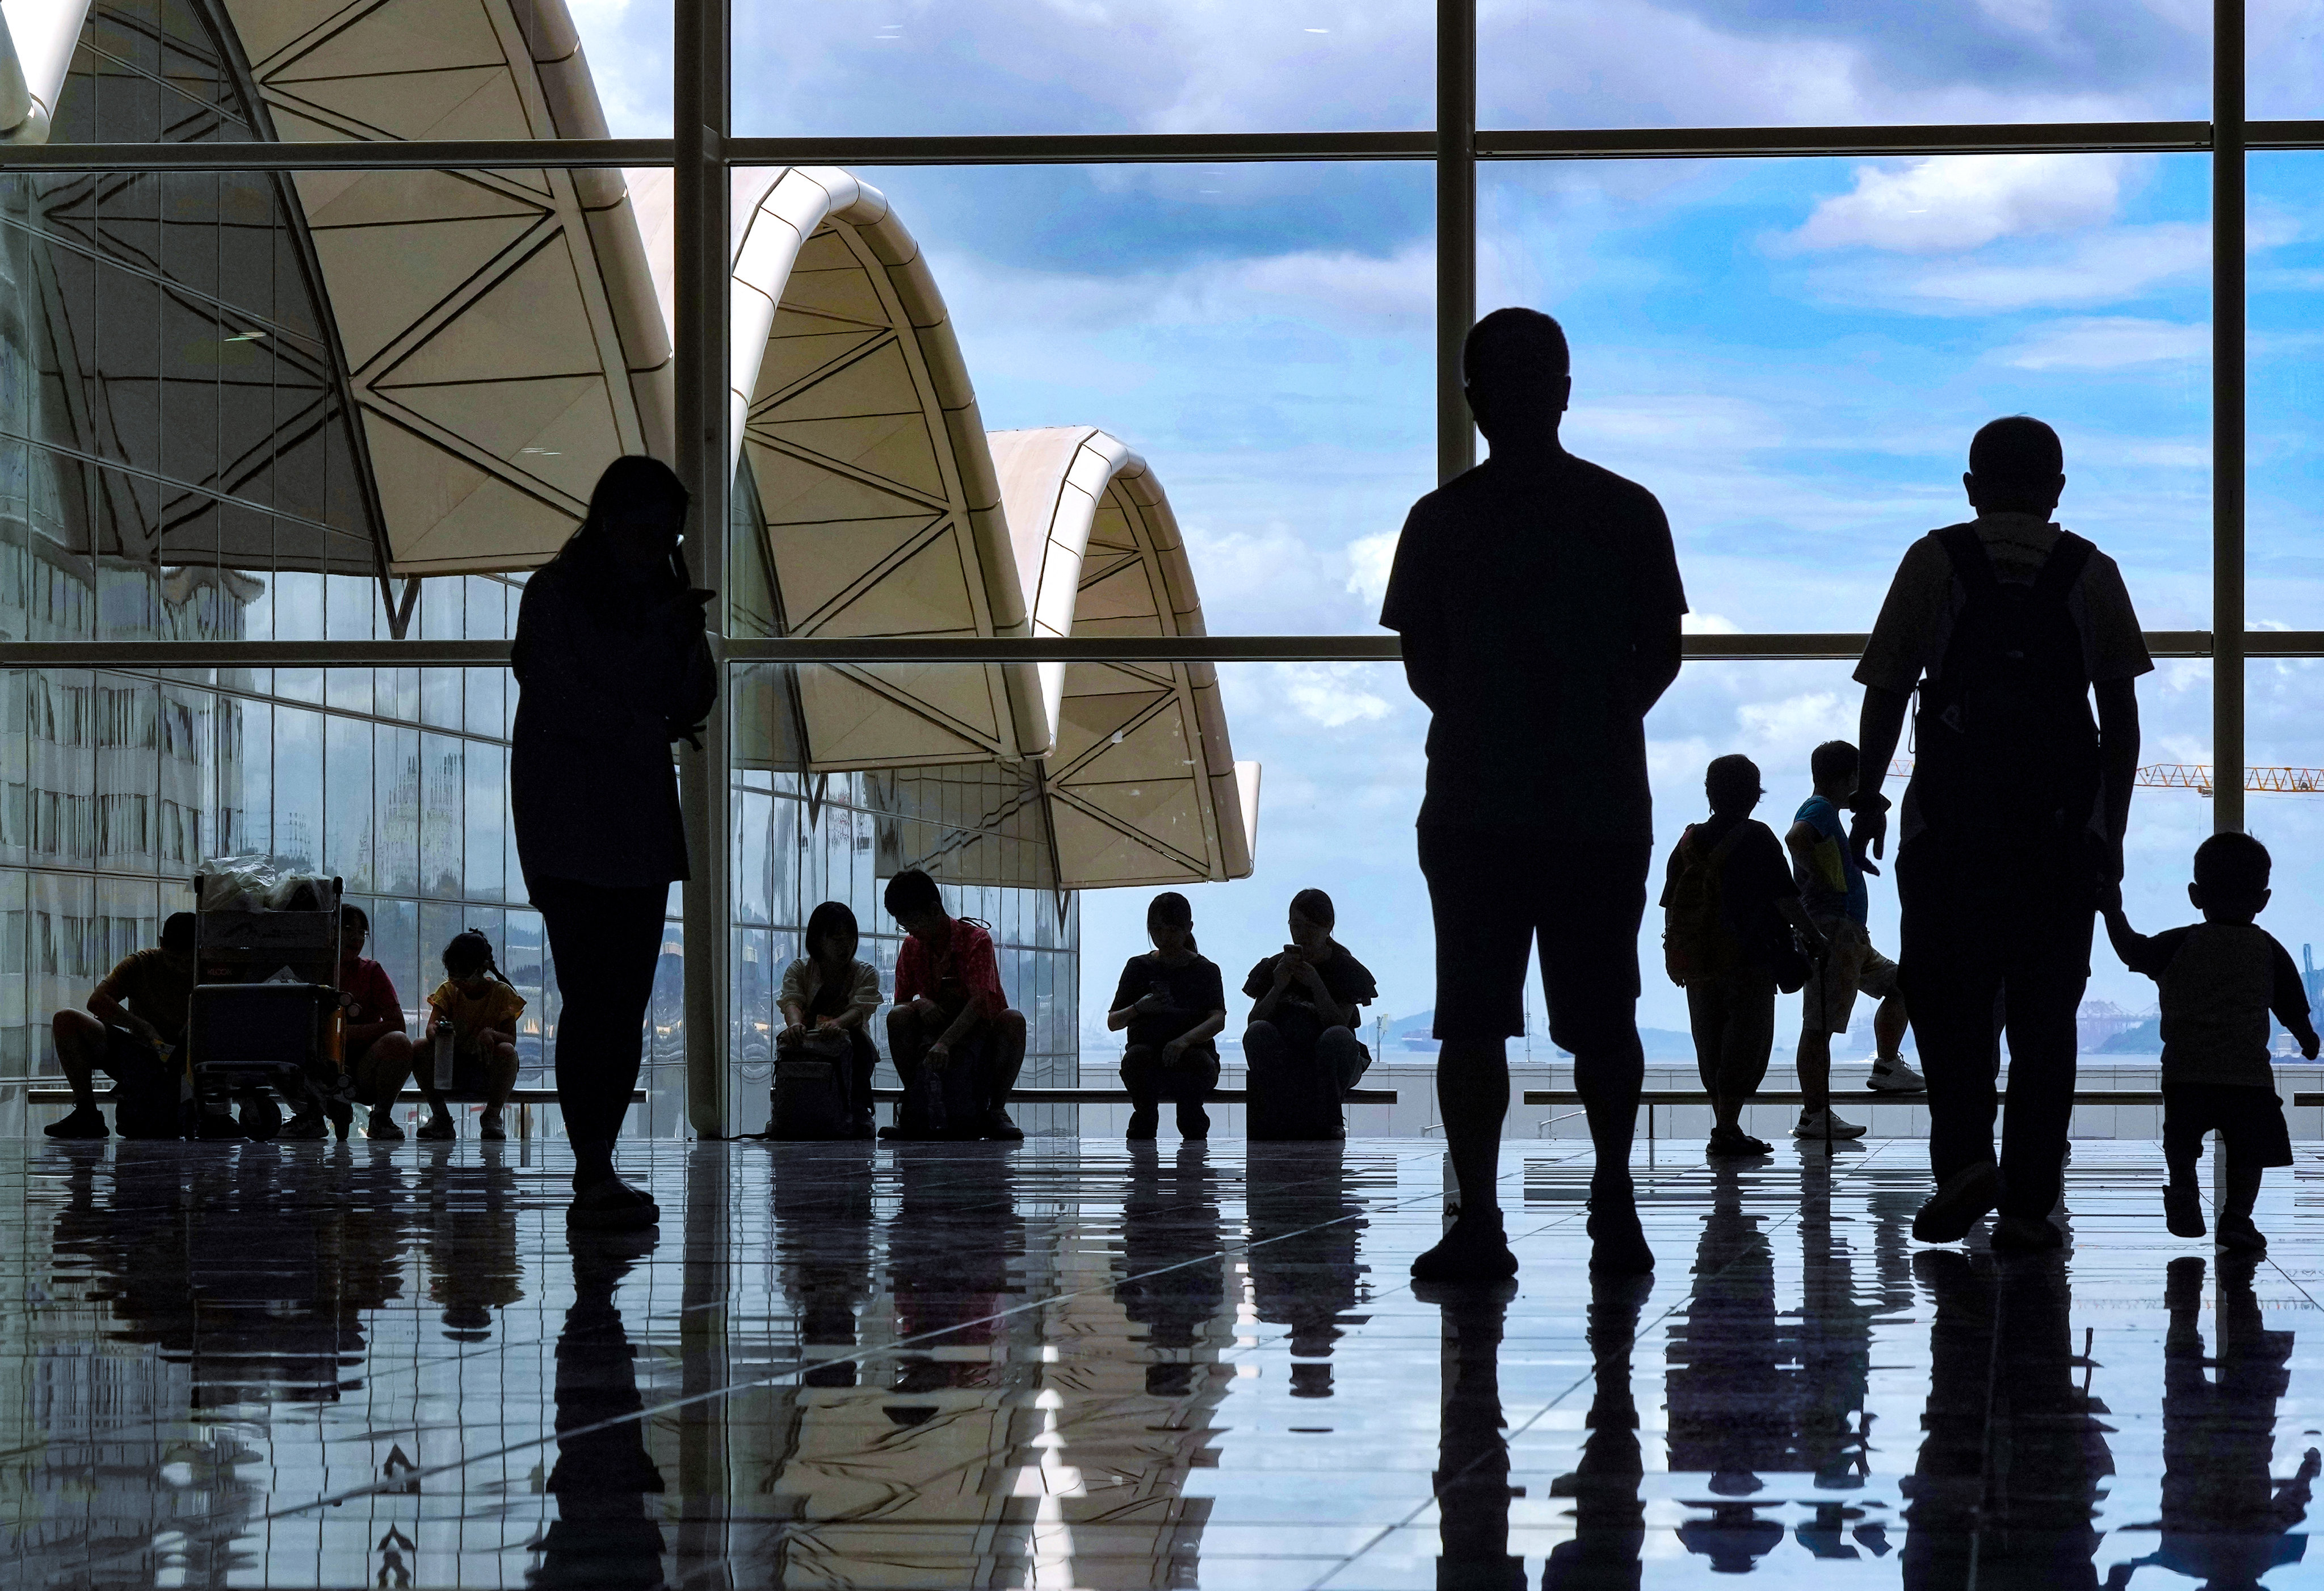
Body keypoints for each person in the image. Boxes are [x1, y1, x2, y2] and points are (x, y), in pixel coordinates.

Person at [1380, 307, 1685, 1282]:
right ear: (1565, 389)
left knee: (1472, 1014)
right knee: (1604, 1011)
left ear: (1470, 402)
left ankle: (1480, 1217)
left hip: (1475, 799)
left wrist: (1493, 724)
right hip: (1595, 799)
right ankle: (1613, 1199)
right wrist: (1588, 725)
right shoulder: (1627, 510)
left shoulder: (1441, 522)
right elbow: (1661, 655)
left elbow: (1424, 664)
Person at [1847, 415, 2150, 1252]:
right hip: (2056, 844)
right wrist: (2108, 834)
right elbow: (2118, 721)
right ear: (2055, 488)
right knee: (2045, 1017)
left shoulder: (1933, 559)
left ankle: (1962, 1165)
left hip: (1948, 836)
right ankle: (2028, 1197)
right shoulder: (2092, 572)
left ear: (1971, 487)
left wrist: (1869, 794)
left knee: (1947, 1007)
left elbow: (1884, 689)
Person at [512, 455, 713, 1229]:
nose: (658, 547)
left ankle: (598, 1160)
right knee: (592, 992)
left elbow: (691, 697)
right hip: (574, 814)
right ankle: (591, 1162)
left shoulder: (649, 598)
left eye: (668, 535)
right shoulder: (556, 594)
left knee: (622, 998)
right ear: (610, 525)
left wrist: (682, 636)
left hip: (625, 813)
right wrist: (650, 669)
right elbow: (570, 699)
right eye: (648, 532)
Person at [2100, 833, 2319, 1254]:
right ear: (2263, 898)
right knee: (2247, 1152)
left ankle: (2182, 1186)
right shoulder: (2267, 948)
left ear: (2195, 895)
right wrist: (2307, 1039)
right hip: (2248, 1078)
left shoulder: (2179, 943)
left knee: (2181, 1141)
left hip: (2186, 1073)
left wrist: (2112, 910)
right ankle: (2236, 1218)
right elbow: (2292, 1005)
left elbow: (2131, 950)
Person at [1663, 755, 1827, 1156]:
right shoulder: (1756, 837)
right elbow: (1785, 898)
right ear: (1754, 795)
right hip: (1748, 959)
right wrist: (1814, 937)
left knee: (1710, 1043)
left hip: (1699, 962)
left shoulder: (1686, 842)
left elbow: (1671, 903)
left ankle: (1725, 1126)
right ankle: (1726, 1128)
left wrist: (1675, 953)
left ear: (1709, 792)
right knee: (1745, 1044)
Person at [1784, 739, 1923, 1143]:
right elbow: (1796, 839)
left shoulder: (1827, 813)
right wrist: (1825, 878)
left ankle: (1885, 1066)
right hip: (1834, 933)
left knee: (1903, 983)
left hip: (1850, 935)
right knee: (1819, 1025)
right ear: (1847, 778)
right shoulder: (1820, 808)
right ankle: (1814, 1114)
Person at [882, 867, 1029, 1141]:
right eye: (905, 925)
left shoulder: (976, 941)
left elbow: (980, 1002)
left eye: (914, 922)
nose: (912, 931)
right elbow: (901, 1002)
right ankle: (915, 1103)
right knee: (898, 1016)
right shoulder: (912, 947)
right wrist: (920, 1004)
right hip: (934, 1030)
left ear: (935, 910)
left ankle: (996, 1110)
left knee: (1014, 1020)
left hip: (981, 1031)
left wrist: (945, 1043)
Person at [44, 910, 197, 1139]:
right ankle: (87, 1112)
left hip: (192, 1059)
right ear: (162, 944)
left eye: (188, 961)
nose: (181, 969)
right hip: (142, 1053)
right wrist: (142, 1027)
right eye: (174, 960)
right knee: (66, 1020)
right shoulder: (140, 964)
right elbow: (96, 1002)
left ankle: (220, 1113)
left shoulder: (211, 969)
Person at [1241, 888, 1377, 1140]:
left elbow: (1339, 1024)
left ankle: (1330, 1120)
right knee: (1258, 1032)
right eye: (1296, 926)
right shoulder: (1276, 966)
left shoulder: (1345, 969)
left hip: (1334, 1057)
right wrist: (1278, 986)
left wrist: (1316, 985)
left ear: (1328, 927)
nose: (1302, 935)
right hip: (1287, 1051)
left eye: (1311, 927)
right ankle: (1275, 1116)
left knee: (1337, 1037)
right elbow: (1254, 1021)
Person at [284, 904, 415, 1143]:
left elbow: (397, 1025)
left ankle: (381, 1118)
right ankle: (308, 1116)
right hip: (314, 1065)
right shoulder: (310, 970)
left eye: (361, 932)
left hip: (363, 1068)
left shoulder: (372, 972)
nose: (356, 937)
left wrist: (346, 1034)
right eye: (348, 929)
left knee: (399, 1043)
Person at [1109, 892, 1227, 1142]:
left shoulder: (1206, 970)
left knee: (1192, 1067)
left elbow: (1218, 1018)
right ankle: (1152, 1124)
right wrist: (1139, 1008)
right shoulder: (1138, 968)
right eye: (1157, 930)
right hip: (1150, 1056)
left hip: (1194, 1056)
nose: (1164, 938)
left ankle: (1175, 1125)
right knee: (1138, 1060)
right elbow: (1114, 1021)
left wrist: (1183, 1041)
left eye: (1172, 930)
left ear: (1188, 929)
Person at [776, 900, 882, 1139]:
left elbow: (862, 1009)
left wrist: (838, 1024)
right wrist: (795, 1026)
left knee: (857, 1046)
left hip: (851, 1043)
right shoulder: (800, 969)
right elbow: (791, 1000)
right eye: (836, 939)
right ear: (818, 940)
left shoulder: (865, 973)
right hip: (810, 1042)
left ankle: (859, 1109)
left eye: (849, 939)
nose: (845, 946)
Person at [418, 929, 523, 1142]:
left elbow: (511, 1040)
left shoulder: (503, 994)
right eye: (452, 973)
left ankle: (492, 1115)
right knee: (419, 1047)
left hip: (487, 1069)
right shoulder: (448, 991)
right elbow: (430, 1030)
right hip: (450, 1069)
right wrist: (438, 1032)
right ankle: (441, 1116)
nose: (458, 980)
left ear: (483, 969)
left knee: (507, 1051)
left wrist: (492, 1035)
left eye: (464, 973)